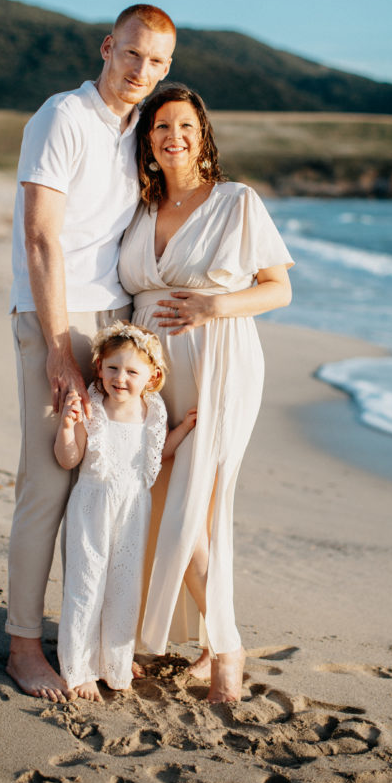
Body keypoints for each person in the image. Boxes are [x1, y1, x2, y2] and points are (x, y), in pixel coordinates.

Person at [6, 5, 176, 702]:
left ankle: (92, 638)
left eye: (157, 61)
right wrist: (56, 347)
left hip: (116, 318)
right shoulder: (62, 117)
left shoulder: (138, 129)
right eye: (132, 53)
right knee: (48, 482)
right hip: (56, 313)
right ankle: (23, 647)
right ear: (108, 48)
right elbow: (40, 237)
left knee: (105, 480)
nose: (141, 70)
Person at [118, 84, 294, 703]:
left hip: (219, 363)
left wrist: (213, 306)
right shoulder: (137, 208)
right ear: (148, 139)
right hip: (149, 376)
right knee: (163, 503)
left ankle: (227, 646)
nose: (175, 137)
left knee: (192, 510)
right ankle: (204, 646)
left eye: (186, 126)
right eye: (162, 126)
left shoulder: (236, 201)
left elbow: (278, 289)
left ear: (203, 135)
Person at [54, 321, 197, 702]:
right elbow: (69, 459)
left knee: (124, 584)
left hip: (134, 508)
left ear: (152, 377)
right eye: (113, 368)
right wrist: (67, 428)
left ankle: (113, 662)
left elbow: (157, 454)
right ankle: (80, 669)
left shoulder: (153, 411)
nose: (121, 378)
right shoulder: (92, 408)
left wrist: (184, 428)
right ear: (99, 368)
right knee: (86, 585)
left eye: (132, 372)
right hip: (92, 506)